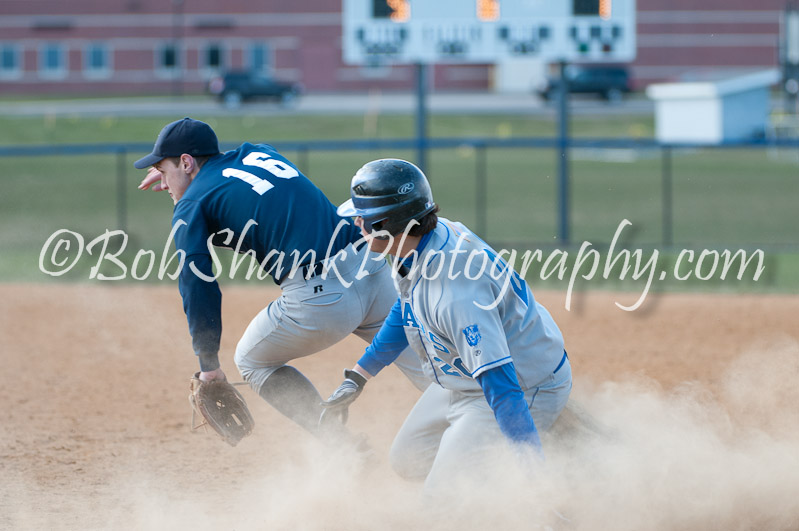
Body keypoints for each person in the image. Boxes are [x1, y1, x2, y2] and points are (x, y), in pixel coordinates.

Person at [134, 118, 427, 442]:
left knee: (251, 360)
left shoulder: (192, 202)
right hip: (372, 268)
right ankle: (469, 429)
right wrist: (178, 176)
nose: (162, 181)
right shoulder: (257, 153)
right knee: (433, 371)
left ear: (187, 162)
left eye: (162, 169)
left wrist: (208, 364)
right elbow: (239, 192)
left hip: (322, 300)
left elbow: (196, 281)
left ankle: (341, 444)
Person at [322, 158, 572, 488]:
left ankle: (554, 462)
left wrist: (534, 477)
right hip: (466, 378)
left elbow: (503, 387)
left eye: (364, 218)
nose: (357, 223)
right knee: (409, 458)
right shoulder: (419, 243)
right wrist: (358, 376)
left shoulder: (455, 293)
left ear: (387, 224)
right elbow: (407, 308)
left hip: (522, 385)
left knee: (441, 502)